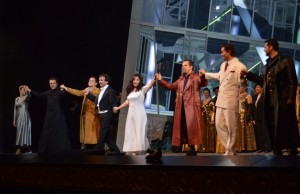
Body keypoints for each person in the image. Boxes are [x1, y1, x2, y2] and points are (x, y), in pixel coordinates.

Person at [242, 38, 300, 155]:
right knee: (272, 124)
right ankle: (276, 147)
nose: (264, 49)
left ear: (271, 47)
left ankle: (292, 148)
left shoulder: (285, 61)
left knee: (286, 124)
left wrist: (290, 98)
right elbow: (262, 81)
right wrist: (248, 74)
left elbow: (292, 81)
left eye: (265, 47)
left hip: (282, 98)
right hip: (270, 99)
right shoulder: (268, 64)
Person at [199, 43, 247, 155]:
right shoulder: (223, 65)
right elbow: (218, 75)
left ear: (229, 52)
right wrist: (205, 74)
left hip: (230, 100)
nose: (221, 54)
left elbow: (243, 83)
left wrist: (243, 78)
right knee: (219, 125)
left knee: (231, 127)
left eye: (222, 52)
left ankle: (230, 150)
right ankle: (229, 148)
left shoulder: (240, 66)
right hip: (220, 100)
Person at [156, 59, 208, 156]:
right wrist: (160, 80)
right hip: (181, 107)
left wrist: (204, 76)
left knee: (191, 128)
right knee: (183, 127)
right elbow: (170, 86)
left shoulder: (196, 77)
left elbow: (204, 83)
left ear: (191, 67)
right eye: (182, 65)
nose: (183, 67)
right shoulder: (181, 79)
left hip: (192, 107)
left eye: (185, 65)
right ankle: (189, 147)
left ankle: (192, 148)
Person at [113, 74, 156, 155]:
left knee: (138, 130)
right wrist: (118, 107)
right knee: (131, 130)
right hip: (131, 114)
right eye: (134, 79)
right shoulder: (131, 91)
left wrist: (154, 79)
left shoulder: (142, 90)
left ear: (140, 81)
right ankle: (131, 148)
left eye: (137, 80)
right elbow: (127, 102)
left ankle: (138, 149)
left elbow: (149, 85)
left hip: (140, 113)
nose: (135, 81)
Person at [27, 77, 71, 154]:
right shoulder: (48, 92)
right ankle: (47, 149)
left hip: (58, 115)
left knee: (58, 132)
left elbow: (64, 96)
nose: (52, 85)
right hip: (49, 115)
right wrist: (30, 91)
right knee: (47, 132)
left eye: (53, 83)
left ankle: (60, 149)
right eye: (50, 83)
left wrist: (63, 91)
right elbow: (40, 95)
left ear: (57, 84)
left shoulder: (59, 92)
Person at [60, 76, 101, 149]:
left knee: (92, 129)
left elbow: (96, 98)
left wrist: (89, 92)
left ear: (96, 83)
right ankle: (85, 143)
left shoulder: (97, 90)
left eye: (92, 81)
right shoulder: (86, 89)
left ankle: (94, 144)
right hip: (85, 112)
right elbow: (78, 92)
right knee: (85, 128)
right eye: (89, 80)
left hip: (92, 113)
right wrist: (66, 88)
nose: (90, 81)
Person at [85, 73, 121, 155]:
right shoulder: (101, 91)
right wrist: (88, 95)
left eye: (101, 80)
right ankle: (116, 151)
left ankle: (97, 149)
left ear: (107, 81)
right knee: (106, 136)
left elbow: (114, 102)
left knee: (102, 133)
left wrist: (115, 108)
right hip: (102, 115)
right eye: (99, 80)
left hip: (107, 115)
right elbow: (97, 101)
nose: (100, 81)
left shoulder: (111, 91)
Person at [235, 82, 257, 153]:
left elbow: (250, 107)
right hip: (238, 115)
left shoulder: (248, 95)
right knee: (239, 131)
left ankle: (248, 147)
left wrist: (248, 115)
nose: (239, 88)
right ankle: (240, 147)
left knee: (246, 130)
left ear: (244, 88)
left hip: (245, 115)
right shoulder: (237, 96)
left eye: (240, 87)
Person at [251, 83, 271, 153]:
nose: (257, 88)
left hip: (263, 117)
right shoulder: (254, 96)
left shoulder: (264, 96)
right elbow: (253, 108)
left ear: (262, 88)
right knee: (259, 133)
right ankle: (261, 147)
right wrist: (253, 118)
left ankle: (267, 148)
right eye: (256, 87)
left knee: (265, 132)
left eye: (258, 87)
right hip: (257, 117)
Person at [13, 85, 32, 154]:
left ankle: (28, 148)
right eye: (23, 90)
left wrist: (28, 91)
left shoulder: (27, 97)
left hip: (25, 117)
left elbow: (29, 96)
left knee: (25, 132)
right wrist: (14, 120)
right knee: (19, 133)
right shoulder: (17, 99)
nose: (24, 91)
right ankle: (19, 147)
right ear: (20, 90)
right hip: (19, 118)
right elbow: (15, 110)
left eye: (25, 90)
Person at [199, 88, 216, 153]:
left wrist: (212, 120)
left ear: (209, 93)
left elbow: (213, 111)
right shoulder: (201, 101)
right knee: (203, 133)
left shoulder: (211, 101)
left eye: (207, 93)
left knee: (209, 133)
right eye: (204, 93)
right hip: (203, 120)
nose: (205, 94)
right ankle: (203, 148)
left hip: (209, 120)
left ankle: (209, 148)